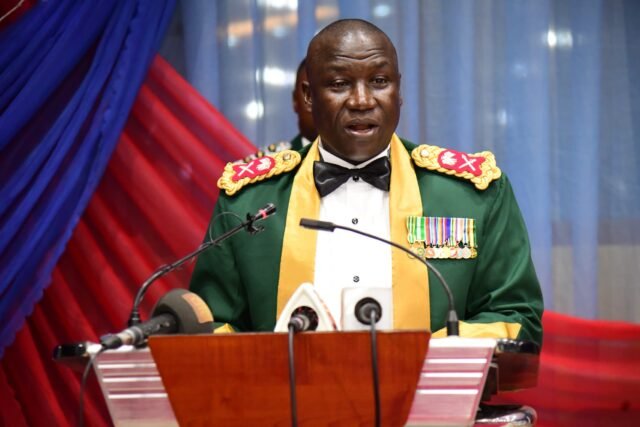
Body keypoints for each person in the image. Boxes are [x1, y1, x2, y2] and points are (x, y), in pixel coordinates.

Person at [190, 19, 543, 346]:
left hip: (430, 392)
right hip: (289, 393)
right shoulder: (249, 202)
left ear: (398, 90)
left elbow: (516, 316)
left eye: (379, 81)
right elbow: (210, 324)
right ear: (309, 95)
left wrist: (428, 356)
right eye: (340, 84)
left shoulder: (472, 195)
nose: (362, 101)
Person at [237, 58, 318, 163]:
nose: (322, 104)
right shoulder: (266, 166)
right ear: (295, 100)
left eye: (335, 89)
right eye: (310, 94)